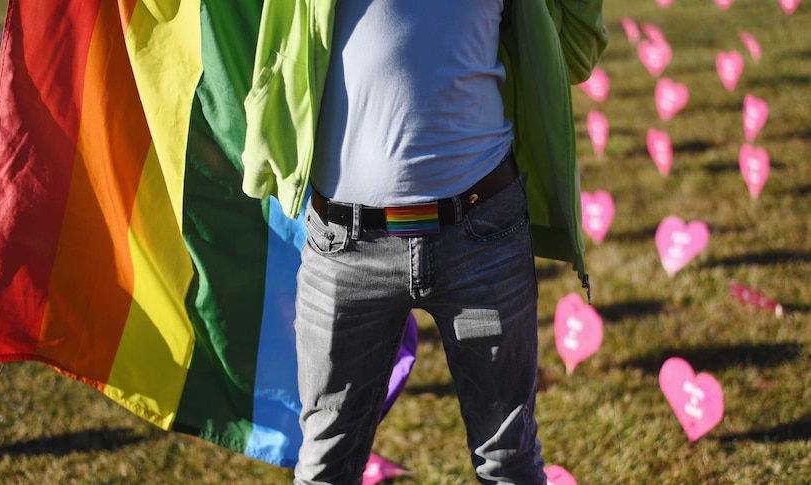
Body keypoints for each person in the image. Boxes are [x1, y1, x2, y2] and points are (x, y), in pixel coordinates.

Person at [239, 0, 608, 482]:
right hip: (345, 251)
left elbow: (579, 51)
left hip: (482, 241)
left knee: (507, 459)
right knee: (326, 462)